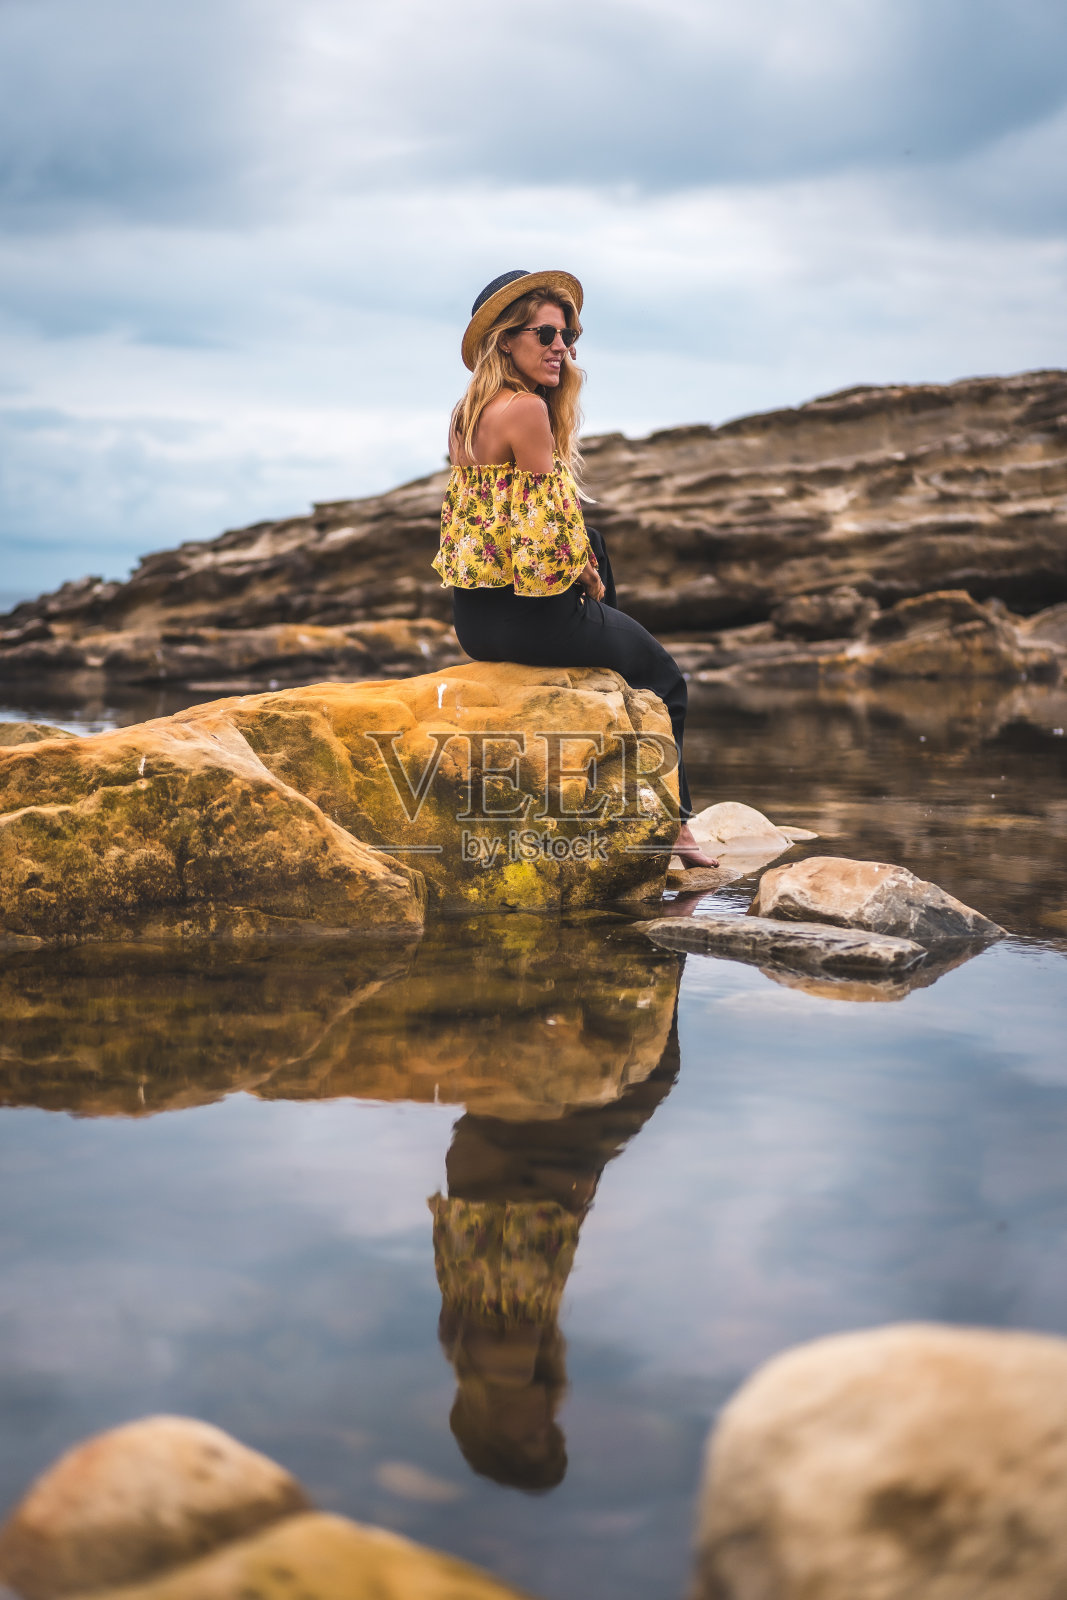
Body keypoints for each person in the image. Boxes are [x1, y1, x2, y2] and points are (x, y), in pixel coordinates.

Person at [433, 268, 717, 869]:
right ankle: (677, 825)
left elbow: (484, 528)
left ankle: (610, 668)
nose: (561, 347)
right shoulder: (528, 410)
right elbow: (543, 539)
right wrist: (583, 575)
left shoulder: (465, 412)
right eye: (546, 334)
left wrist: (585, 555)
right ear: (506, 340)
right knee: (668, 682)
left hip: (476, 621)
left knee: (596, 538)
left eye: (568, 337)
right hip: (531, 621)